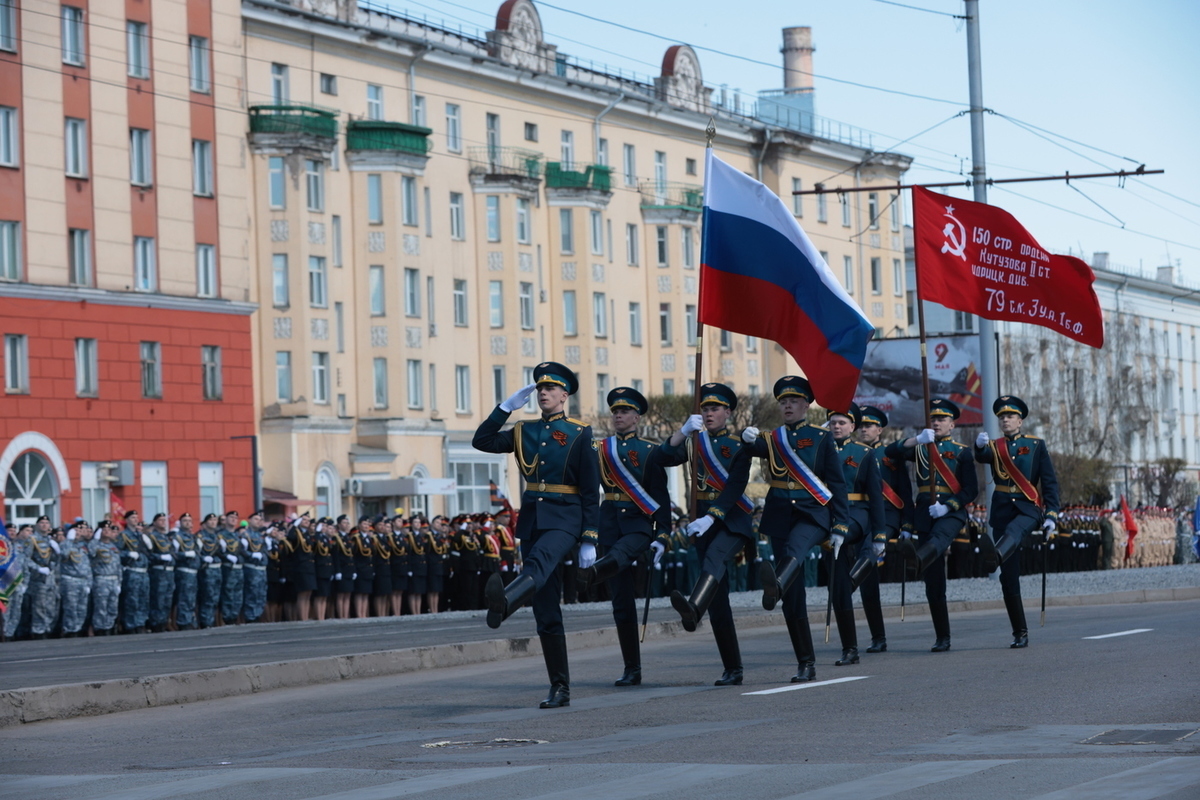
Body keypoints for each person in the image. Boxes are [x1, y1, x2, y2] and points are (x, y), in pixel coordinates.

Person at [473, 362, 600, 709]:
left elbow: (591, 489)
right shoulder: (522, 430)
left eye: (551, 389)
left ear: (564, 395)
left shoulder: (580, 433)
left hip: (565, 518)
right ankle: (560, 687)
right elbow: (481, 440)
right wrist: (504, 408)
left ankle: (506, 602)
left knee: (540, 562)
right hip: (532, 520)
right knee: (546, 610)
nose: (543, 393)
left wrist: (590, 536)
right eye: (539, 388)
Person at [743, 377, 849, 682]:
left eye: (793, 401)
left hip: (813, 514)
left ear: (806, 405)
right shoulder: (771, 438)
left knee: (796, 549)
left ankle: (775, 580)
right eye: (783, 402)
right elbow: (750, 449)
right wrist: (745, 436)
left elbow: (838, 484)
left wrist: (840, 525)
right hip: (780, 515)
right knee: (791, 595)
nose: (787, 406)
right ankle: (805, 661)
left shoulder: (821, 437)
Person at [576, 386, 673, 687]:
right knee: (621, 602)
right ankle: (632, 668)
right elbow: (590, 490)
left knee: (621, 554)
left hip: (638, 524)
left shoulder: (649, 451)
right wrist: (588, 533)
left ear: (636, 417)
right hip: (609, 522)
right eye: (615, 411)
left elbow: (660, 496)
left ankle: (594, 573)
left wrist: (664, 534)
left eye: (625, 411)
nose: (618, 415)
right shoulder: (599, 449)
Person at [662, 382, 756, 686]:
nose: (709, 413)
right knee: (719, 599)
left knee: (714, 559)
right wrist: (681, 432)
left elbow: (735, 488)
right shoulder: (693, 442)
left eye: (715, 408)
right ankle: (733, 668)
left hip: (732, 521)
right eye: (704, 408)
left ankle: (693, 607)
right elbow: (661, 458)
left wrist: (711, 517)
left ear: (727, 412)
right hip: (702, 523)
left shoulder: (740, 444)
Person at [886, 398, 978, 652]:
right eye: (933, 419)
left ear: (952, 424)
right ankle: (942, 636)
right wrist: (916, 440)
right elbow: (890, 452)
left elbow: (971, 489)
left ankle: (917, 557)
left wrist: (949, 506)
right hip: (925, 510)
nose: (937, 423)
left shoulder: (962, 452)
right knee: (934, 580)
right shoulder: (920, 448)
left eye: (941, 419)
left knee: (939, 539)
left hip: (951, 511)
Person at [974, 395, 1060, 648]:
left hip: (1028, 508)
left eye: (1010, 416)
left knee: (1014, 531)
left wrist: (1052, 515)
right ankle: (1019, 631)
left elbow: (1050, 482)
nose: (1005, 420)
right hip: (1002, 511)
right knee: (1008, 578)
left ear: (1020, 421)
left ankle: (994, 555)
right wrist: (979, 447)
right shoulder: (994, 446)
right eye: (1001, 417)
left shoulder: (1035, 445)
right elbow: (982, 458)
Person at [825, 403, 884, 666]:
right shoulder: (820, 450)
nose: (836, 426)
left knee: (860, 573)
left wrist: (880, 533)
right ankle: (850, 648)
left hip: (857, 513)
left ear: (852, 427)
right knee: (838, 587)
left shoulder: (863, 453)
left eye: (841, 422)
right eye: (833, 422)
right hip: (828, 515)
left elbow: (876, 497)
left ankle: (875, 635)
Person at [854, 405, 912, 653]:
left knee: (867, 556)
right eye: (861, 425)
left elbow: (904, 490)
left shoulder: (890, 455)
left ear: (880, 429)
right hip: (861, 516)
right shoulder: (851, 453)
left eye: (869, 425)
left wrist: (907, 523)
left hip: (888, 516)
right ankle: (878, 636)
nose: (864, 429)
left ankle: (849, 582)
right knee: (867, 579)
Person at [58, 520, 93, 637]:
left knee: (82, 609)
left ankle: (77, 630)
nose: (78, 533)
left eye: (80, 530)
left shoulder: (83, 546)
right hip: (70, 580)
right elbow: (63, 555)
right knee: (70, 608)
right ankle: (70, 631)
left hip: (83, 581)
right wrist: (69, 540)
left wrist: (89, 583)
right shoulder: (65, 544)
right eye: (76, 530)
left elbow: (88, 566)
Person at [118, 510, 149, 634]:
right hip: (132, 572)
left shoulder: (140, 535)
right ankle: (130, 625)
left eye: (136, 517)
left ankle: (140, 623)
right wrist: (128, 554)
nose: (135, 519)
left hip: (143, 572)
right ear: (127, 520)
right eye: (132, 517)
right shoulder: (123, 535)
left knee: (143, 599)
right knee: (132, 600)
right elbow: (117, 552)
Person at [89, 521, 123, 635]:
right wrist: (95, 539)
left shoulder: (114, 546)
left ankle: (109, 627)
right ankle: (100, 629)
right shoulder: (95, 545)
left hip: (114, 579)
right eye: (104, 530)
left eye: (109, 530)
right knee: (101, 606)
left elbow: (118, 565)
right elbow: (91, 553)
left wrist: (119, 582)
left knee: (113, 607)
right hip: (101, 579)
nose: (107, 532)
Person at [146, 513, 176, 633]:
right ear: (155, 522)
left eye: (165, 520)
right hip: (159, 571)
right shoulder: (152, 537)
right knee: (158, 599)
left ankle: (163, 622)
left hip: (169, 572)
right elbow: (149, 555)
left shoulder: (167, 537)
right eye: (160, 520)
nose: (163, 522)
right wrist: (160, 557)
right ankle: (156, 624)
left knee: (167, 600)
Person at [174, 513, 201, 631]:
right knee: (184, 598)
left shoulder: (194, 537)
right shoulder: (177, 537)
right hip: (184, 571)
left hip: (194, 572)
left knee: (191, 598)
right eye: (185, 520)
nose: (188, 523)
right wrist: (185, 554)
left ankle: (190, 619)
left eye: (190, 520)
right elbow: (173, 554)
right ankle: (183, 622)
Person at [196, 513, 223, 628]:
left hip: (217, 569)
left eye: (215, 520)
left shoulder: (217, 537)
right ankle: (205, 621)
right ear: (206, 522)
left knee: (215, 597)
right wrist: (203, 558)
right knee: (207, 596)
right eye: (211, 520)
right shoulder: (200, 536)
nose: (213, 522)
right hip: (207, 570)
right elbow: (197, 553)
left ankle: (211, 620)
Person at [242, 511, 269, 623]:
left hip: (262, 570)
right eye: (256, 519)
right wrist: (251, 555)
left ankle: (258, 615)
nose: (258, 522)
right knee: (251, 594)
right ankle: (250, 618)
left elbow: (265, 552)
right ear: (250, 521)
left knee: (261, 594)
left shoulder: (262, 535)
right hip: (252, 569)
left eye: (260, 520)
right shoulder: (245, 535)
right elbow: (242, 551)